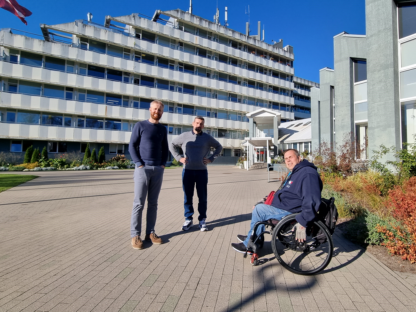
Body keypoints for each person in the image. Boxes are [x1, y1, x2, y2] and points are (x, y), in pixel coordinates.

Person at [231, 149, 323, 253]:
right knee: (260, 206)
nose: (288, 161)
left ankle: (250, 244)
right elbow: (283, 191)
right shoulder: (296, 172)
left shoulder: (307, 173)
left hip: (290, 210)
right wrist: (265, 199)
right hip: (284, 206)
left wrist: (303, 221)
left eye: (291, 157)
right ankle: (255, 238)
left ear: (299, 158)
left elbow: (312, 200)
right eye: (286, 159)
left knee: (259, 210)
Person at [170, 116, 223, 232]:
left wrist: (211, 159)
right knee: (188, 197)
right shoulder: (184, 136)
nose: (199, 125)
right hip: (187, 171)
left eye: (201, 124)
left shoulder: (207, 138)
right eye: (197, 123)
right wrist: (179, 158)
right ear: (193, 123)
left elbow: (219, 147)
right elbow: (172, 144)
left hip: (202, 172)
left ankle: (202, 220)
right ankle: (188, 219)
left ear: (203, 126)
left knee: (202, 197)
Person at [129, 100, 168, 250]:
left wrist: (163, 164)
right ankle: (135, 235)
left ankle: (150, 233)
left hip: (157, 169)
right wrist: (139, 163)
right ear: (150, 109)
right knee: (139, 203)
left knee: (153, 203)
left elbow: (165, 148)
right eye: (155, 109)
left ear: (162, 112)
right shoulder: (140, 126)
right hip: (142, 168)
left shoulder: (163, 129)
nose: (157, 111)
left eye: (159, 110)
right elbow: (132, 145)